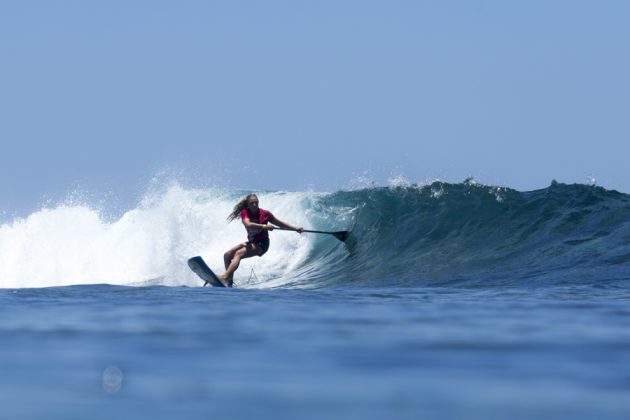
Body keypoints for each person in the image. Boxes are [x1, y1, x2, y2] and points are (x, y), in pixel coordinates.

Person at [218, 194, 304, 287]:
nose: (255, 204)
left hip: (262, 244)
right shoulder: (245, 212)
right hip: (252, 243)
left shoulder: (265, 214)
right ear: (248, 205)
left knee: (238, 253)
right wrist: (264, 226)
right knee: (227, 255)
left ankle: (225, 276)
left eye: (256, 202)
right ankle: (229, 283)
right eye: (252, 203)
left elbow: (280, 223)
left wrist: (296, 228)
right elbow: (248, 224)